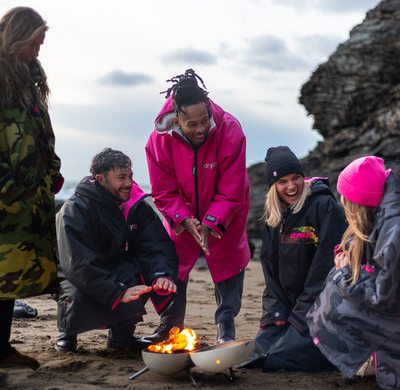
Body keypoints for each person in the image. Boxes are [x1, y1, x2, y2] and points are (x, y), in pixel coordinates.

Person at [145, 69, 250, 343]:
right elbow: (163, 190)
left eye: (205, 120)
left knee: (229, 261)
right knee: (174, 263)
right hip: (182, 213)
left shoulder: (229, 128)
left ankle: (226, 324)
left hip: (227, 210)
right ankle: (170, 323)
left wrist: (213, 221)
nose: (201, 128)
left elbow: (232, 186)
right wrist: (184, 218)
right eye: (192, 124)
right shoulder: (159, 141)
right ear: (177, 119)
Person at [55, 148, 178, 352]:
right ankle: (67, 334)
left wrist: (161, 275)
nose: (129, 183)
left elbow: (156, 245)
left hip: (117, 266)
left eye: (130, 176)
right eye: (121, 177)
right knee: (75, 291)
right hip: (74, 271)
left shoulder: (137, 207)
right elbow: (77, 263)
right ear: (100, 179)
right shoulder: (75, 209)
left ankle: (122, 336)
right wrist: (116, 292)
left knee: (137, 280)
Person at [242, 146, 347, 371]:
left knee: (279, 358)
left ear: (304, 177)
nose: (291, 187)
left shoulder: (325, 207)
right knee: (254, 354)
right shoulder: (275, 216)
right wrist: (277, 313)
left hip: (322, 308)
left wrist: (298, 318)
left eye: (296, 178)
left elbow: (325, 271)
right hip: (290, 307)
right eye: (283, 182)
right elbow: (270, 272)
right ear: (273, 186)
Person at [0, 7, 63, 370]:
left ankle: (2, 349)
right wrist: (6, 185)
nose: (40, 46)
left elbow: (44, 133)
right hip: (6, 197)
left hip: (30, 195)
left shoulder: (31, 81)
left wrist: (52, 170)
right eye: (36, 39)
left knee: (9, 278)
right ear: (19, 35)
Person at [307, 156, 400, 390]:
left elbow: (386, 298)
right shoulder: (385, 210)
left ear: (355, 203)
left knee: (338, 286)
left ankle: (370, 357)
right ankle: (370, 358)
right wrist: (348, 253)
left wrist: (346, 275)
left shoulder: (394, 229)